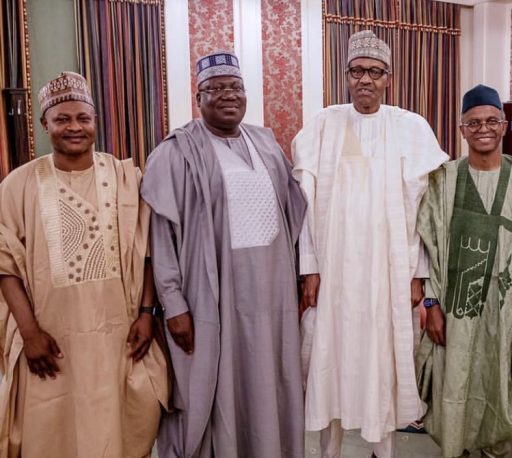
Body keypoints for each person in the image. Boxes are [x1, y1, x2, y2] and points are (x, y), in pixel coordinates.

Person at [141, 51, 307, 458]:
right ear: (198, 98)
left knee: (272, 383)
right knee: (216, 389)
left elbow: (294, 216)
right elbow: (161, 238)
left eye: (235, 87)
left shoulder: (266, 142)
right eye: (215, 89)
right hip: (212, 300)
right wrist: (174, 304)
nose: (227, 96)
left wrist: (305, 276)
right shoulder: (176, 152)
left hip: (273, 297)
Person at [292, 30, 448, 458]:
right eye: (357, 70)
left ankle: (384, 451)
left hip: (388, 271)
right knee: (331, 359)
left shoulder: (410, 126)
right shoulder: (324, 122)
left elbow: (426, 211)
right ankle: (329, 450)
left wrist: (419, 274)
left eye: (375, 72)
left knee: (382, 362)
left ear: (388, 78)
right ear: (345, 75)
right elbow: (306, 203)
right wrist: (310, 267)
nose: (365, 79)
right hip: (335, 270)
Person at [0, 71, 168, 458]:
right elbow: (5, 266)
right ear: (45, 124)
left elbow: (146, 251)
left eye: (83, 118)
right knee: (51, 429)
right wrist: (29, 332)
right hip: (50, 337)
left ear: (95, 121)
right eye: (62, 119)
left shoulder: (126, 177)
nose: (74, 127)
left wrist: (147, 313)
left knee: (120, 425)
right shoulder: (18, 184)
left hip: (118, 333)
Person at [415, 84, 512, 458]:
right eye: (473, 122)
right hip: (453, 308)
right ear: (462, 129)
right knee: (455, 378)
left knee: (497, 380)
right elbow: (426, 247)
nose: (483, 129)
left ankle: (495, 450)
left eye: (491, 120)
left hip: (506, 309)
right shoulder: (442, 179)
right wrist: (431, 304)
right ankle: (457, 447)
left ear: (505, 125)